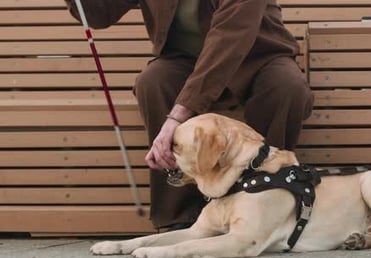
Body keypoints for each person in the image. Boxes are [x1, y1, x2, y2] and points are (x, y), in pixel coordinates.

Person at [65, 0, 313, 231]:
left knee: (286, 87)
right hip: (184, 60)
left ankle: (269, 200)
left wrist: (178, 115)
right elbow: (98, 14)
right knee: (153, 82)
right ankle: (179, 218)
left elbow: (232, 35)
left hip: (258, 56)